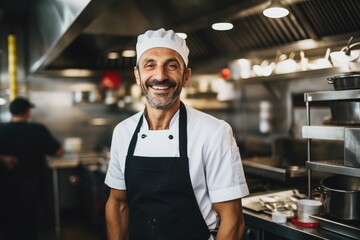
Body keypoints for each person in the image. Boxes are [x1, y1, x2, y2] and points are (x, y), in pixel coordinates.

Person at [104, 28, 249, 240]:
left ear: (186, 76)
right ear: (138, 75)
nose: (160, 76)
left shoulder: (214, 132)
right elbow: (117, 204)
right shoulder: (123, 132)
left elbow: (233, 220)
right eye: (150, 65)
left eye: (171, 66)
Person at [0, 97, 64, 240]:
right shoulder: (37, 129)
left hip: (6, 185)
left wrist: (3, 158)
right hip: (32, 184)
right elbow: (59, 152)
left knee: (9, 222)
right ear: (28, 112)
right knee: (29, 223)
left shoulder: (1, 129)